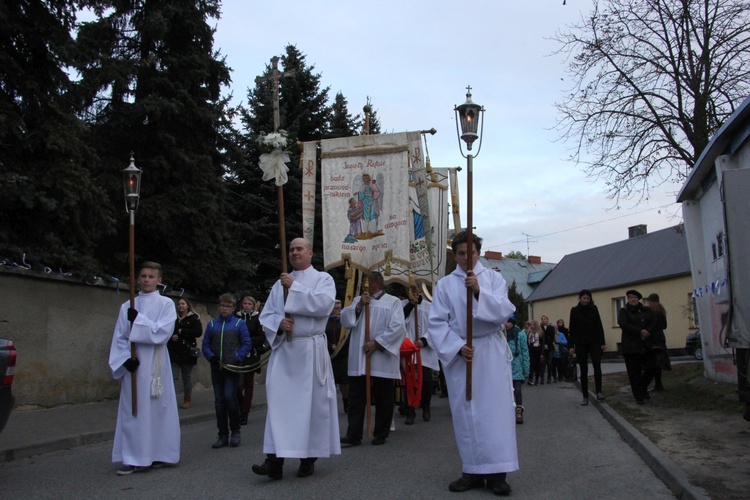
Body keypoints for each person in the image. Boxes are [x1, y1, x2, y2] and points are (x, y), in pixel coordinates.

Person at [427, 230, 517, 495]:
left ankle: (498, 473)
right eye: (462, 253)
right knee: (467, 414)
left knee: (495, 414)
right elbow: (436, 323)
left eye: (472, 252)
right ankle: (472, 470)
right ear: (455, 255)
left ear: (479, 252)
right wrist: (456, 347)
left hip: (489, 352)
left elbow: (504, 311)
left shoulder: (493, 278)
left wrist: (478, 292)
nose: (467, 258)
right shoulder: (444, 285)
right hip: (463, 355)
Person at [251, 238, 340, 480]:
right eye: (291, 249)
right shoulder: (279, 284)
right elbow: (266, 315)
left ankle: (307, 458)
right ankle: (274, 462)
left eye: (299, 248)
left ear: (310, 253)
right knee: (279, 407)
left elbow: (323, 306)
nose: (294, 252)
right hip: (285, 352)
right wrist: (278, 323)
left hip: (310, 352)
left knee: (309, 407)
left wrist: (295, 287)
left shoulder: (323, 279)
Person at [108, 261, 179, 475]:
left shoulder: (166, 303)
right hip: (136, 364)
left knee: (159, 409)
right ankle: (132, 457)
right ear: (137, 279)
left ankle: (159, 453)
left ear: (159, 280)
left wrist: (139, 319)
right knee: (134, 410)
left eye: (151, 276)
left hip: (157, 363)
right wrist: (124, 360)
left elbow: (163, 332)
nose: (146, 279)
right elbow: (120, 337)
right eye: (143, 276)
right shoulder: (127, 305)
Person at [340, 271, 406, 446]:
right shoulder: (357, 300)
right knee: (356, 398)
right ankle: (353, 434)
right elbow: (346, 320)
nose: (363, 285)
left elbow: (398, 327)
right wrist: (360, 305)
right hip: (360, 357)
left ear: (376, 283)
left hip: (381, 357)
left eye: (366, 282)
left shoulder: (393, 302)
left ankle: (380, 433)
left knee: (384, 397)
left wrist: (376, 343)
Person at [202, 293, 252, 449]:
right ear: (218, 307)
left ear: (233, 308)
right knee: (219, 401)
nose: (224, 309)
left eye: (228, 306)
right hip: (217, 367)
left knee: (230, 397)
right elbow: (205, 344)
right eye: (222, 306)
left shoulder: (239, 324)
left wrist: (237, 356)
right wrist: (211, 357)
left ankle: (235, 430)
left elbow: (246, 344)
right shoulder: (212, 325)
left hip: (233, 368)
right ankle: (222, 434)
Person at [402, 287, 439, 424]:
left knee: (426, 381)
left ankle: (426, 407)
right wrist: (411, 305)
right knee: (409, 382)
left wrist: (424, 341)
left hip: (424, 350)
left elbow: (435, 327)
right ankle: (410, 412)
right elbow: (399, 322)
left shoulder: (430, 307)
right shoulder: (402, 305)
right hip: (409, 349)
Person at [569, 289, 606, 405]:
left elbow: (599, 326)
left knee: (597, 364)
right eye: (584, 298)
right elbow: (572, 328)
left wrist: (602, 342)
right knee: (583, 369)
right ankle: (585, 396)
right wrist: (571, 345)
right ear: (580, 298)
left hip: (594, 341)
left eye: (587, 298)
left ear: (590, 299)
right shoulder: (574, 311)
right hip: (580, 342)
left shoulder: (594, 309)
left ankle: (599, 392)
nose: (585, 300)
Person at [618, 289, 655, 404]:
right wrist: (640, 331)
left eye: (634, 297)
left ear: (638, 298)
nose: (632, 299)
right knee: (634, 373)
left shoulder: (646, 310)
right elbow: (624, 324)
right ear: (628, 299)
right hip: (631, 346)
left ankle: (643, 389)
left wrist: (648, 331)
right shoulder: (624, 311)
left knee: (651, 368)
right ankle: (639, 396)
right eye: (630, 298)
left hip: (646, 345)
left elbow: (654, 321)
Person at [235, 295, 266, 425]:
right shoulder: (236, 317)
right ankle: (241, 405)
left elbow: (261, 336)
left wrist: (248, 342)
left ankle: (245, 412)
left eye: (249, 304)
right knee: (237, 385)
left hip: (251, 354)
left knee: (248, 384)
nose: (246, 306)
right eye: (245, 304)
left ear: (253, 305)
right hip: (237, 354)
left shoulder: (258, 318)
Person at [167, 297, 202, 409]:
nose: (180, 306)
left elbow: (198, 332)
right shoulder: (173, 318)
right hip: (174, 351)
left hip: (187, 352)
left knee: (186, 376)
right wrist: (171, 337)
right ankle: (171, 399)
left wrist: (183, 332)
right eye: (179, 304)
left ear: (187, 305)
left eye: (183, 303)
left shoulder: (193, 318)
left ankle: (187, 399)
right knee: (173, 377)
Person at [325, 300, 350, 413]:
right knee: (330, 382)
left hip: (343, 355)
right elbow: (322, 335)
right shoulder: (325, 321)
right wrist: (330, 345)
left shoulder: (344, 321)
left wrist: (341, 345)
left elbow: (348, 335)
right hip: (330, 356)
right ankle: (330, 403)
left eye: (340, 308)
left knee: (344, 382)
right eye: (336, 308)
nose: (339, 310)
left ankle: (346, 400)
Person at [506, 316, 529, 424]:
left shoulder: (520, 334)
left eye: (508, 322)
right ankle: (506, 413)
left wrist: (526, 369)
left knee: (517, 390)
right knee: (505, 392)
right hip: (504, 367)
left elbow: (525, 352)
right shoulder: (500, 334)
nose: (506, 324)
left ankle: (519, 411)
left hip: (517, 366)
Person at [643, 293, 667, 392]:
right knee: (658, 364)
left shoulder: (649, 311)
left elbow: (650, 325)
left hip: (651, 340)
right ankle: (658, 384)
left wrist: (646, 332)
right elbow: (665, 326)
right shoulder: (661, 311)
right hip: (660, 340)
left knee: (651, 363)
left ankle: (644, 385)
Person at [540, 315, 556, 383]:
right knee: (542, 363)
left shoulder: (551, 328)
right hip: (542, 348)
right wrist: (543, 345)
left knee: (549, 363)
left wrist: (547, 344)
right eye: (542, 319)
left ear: (547, 320)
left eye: (545, 319)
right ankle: (542, 378)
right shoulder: (540, 328)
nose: (544, 320)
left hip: (549, 347)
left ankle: (549, 377)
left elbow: (552, 338)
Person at [527, 320, 543, 386]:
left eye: (533, 325)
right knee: (531, 364)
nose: (532, 326)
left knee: (537, 365)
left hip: (538, 349)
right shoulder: (529, 332)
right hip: (531, 349)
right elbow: (527, 341)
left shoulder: (540, 332)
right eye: (531, 325)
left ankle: (536, 379)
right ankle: (530, 379)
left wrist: (542, 353)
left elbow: (542, 342)